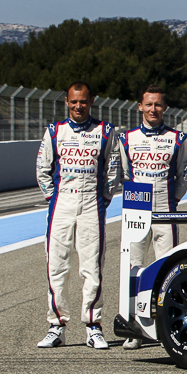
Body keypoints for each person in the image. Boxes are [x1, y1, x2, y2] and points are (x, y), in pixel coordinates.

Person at [35, 81, 120, 350]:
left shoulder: (105, 131)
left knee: (92, 268)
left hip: (91, 205)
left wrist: (103, 199)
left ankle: (93, 326)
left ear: (91, 101)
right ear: (66, 103)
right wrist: (53, 198)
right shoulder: (54, 131)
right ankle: (56, 326)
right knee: (56, 266)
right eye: (73, 101)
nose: (78, 106)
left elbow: (113, 171)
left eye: (83, 101)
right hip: (61, 203)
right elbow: (42, 169)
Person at [117, 86, 187, 349]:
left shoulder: (177, 138)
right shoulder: (126, 138)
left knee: (166, 268)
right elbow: (125, 175)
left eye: (158, 105)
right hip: (136, 208)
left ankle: (163, 325)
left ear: (164, 107)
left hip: (166, 207)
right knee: (134, 267)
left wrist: (174, 199)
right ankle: (132, 326)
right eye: (148, 105)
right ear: (140, 106)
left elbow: (184, 174)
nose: (153, 109)